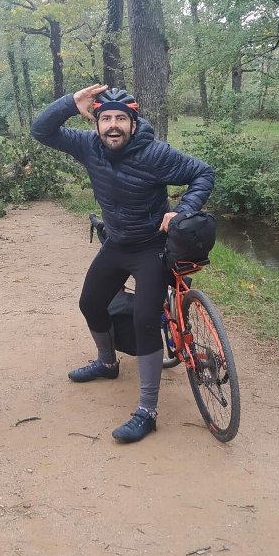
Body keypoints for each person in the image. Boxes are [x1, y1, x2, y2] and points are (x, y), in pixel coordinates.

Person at [31, 84, 215, 443]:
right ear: (96, 123)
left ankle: (147, 411)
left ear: (133, 122)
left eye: (120, 118)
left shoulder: (155, 154)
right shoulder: (88, 147)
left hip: (151, 248)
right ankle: (107, 363)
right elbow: (41, 130)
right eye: (105, 118)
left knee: (145, 319)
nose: (112, 125)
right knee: (90, 303)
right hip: (117, 243)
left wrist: (183, 210)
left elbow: (203, 173)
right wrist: (70, 103)